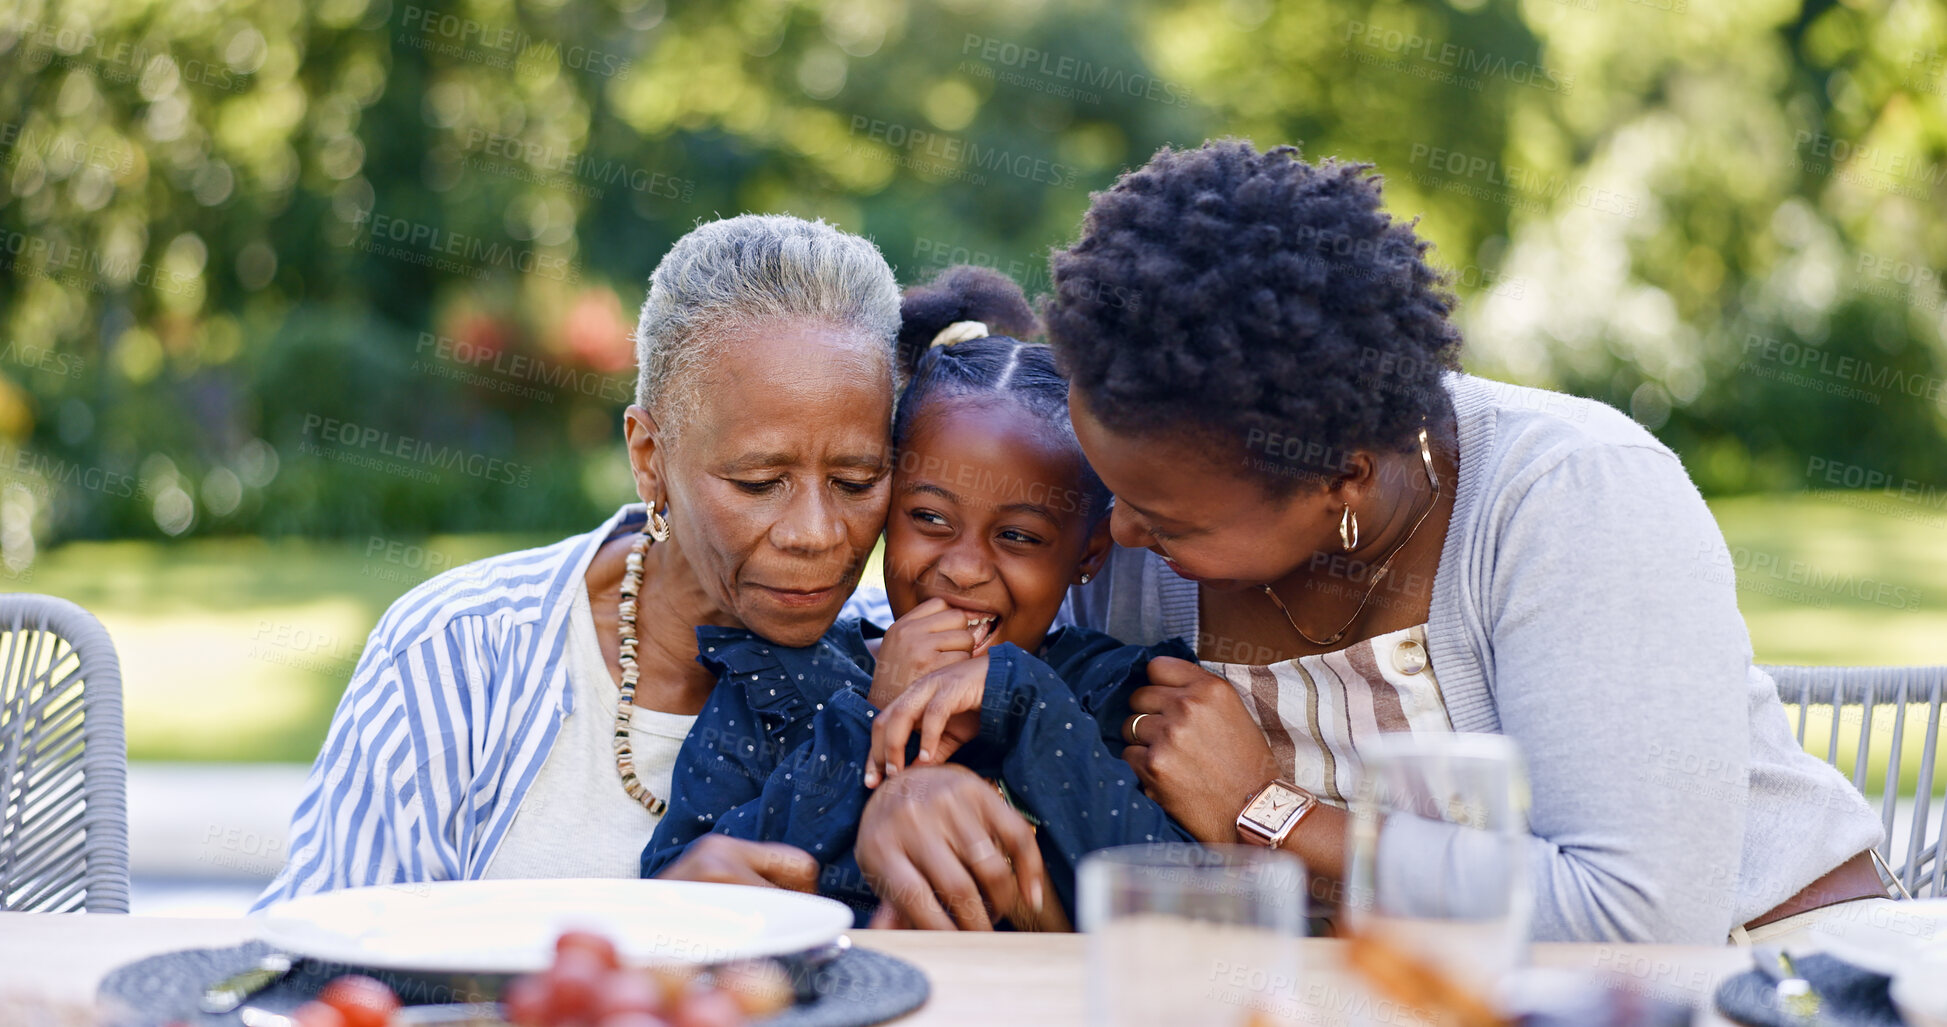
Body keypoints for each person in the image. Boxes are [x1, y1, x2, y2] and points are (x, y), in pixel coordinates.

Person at [864, 139, 1891, 946]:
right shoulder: (1141, 507)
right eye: (1113, 493)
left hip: (1756, 969)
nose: (1120, 536)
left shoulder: (1568, 497)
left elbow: (1631, 918)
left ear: (1343, 476)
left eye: (1167, 519)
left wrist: (1268, 812)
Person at [254, 214, 910, 905]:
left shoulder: (901, 669)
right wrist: (642, 934)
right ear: (648, 458)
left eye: (857, 481)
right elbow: (315, 956)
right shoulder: (459, 651)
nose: (815, 532)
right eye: (756, 481)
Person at [640, 267, 1196, 929]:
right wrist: (866, 721)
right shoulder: (777, 680)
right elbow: (677, 879)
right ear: (885, 505)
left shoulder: (1108, 696)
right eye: (929, 518)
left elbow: (1175, 904)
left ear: (1088, 554)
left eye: (1017, 535)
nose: (961, 569)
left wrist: (1019, 698)